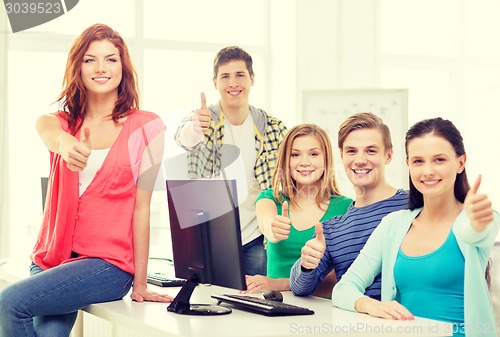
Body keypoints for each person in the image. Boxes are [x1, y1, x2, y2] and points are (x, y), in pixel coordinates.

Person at [0, 24, 172, 337]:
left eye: (111, 59)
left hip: (107, 265)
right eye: (90, 60)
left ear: (124, 66)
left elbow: (141, 208)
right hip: (50, 260)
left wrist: (141, 282)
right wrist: (66, 145)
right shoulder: (61, 123)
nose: (101, 68)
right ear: (78, 67)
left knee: (9, 302)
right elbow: (49, 132)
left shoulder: (147, 127)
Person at [331, 117, 499, 337]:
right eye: (418, 161)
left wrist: (475, 221)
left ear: (460, 163)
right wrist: (372, 305)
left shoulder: (480, 219)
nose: (427, 171)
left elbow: (475, 233)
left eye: (439, 160)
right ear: (408, 164)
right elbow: (343, 289)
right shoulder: (393, 224)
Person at [174, 46, 287, 276]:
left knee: (253, 303)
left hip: (257, 238)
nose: (233, 83)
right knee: (209, 302)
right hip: (210, 238)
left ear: (252, 79)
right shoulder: (202, 119)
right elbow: (184, 138)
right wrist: (194, 129)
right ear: (215, 82)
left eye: (240, 75)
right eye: (225, 76)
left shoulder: (272, 128)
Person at [290, 112, 409, 299]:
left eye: (371, 151)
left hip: (413, 323)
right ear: (342, 155)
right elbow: (300, 288)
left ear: (388, 154)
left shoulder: (414, 205)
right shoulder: (330, 229)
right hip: (355, 324)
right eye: (352, 151)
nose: (360, 160)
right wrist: (306, 263)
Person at [245, 124, 352, 293]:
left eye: (314, 154)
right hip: (276, 306)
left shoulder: (347, 208)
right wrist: (273, 229)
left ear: (326, 159)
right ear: (286, 161)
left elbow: (340, 277)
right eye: (295, 155)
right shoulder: (270, 199)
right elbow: (267, 223)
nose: (304, 162)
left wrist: (280, 284)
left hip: (323, 309)